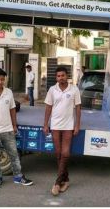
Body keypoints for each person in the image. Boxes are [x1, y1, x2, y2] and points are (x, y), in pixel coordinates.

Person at [43, 66, 81, 196]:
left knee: (65, 153)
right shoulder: (52, 90)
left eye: (63, 75)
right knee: (58, 154)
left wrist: (77, 125)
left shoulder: (74, 89)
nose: (61, 78)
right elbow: (48, 107)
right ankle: (66, 180)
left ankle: (57, 183)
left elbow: (78, 108)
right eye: (58, 76)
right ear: (56, 78)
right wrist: (45, 124)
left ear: (67, 76)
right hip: (55, 125)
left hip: (68, 126)